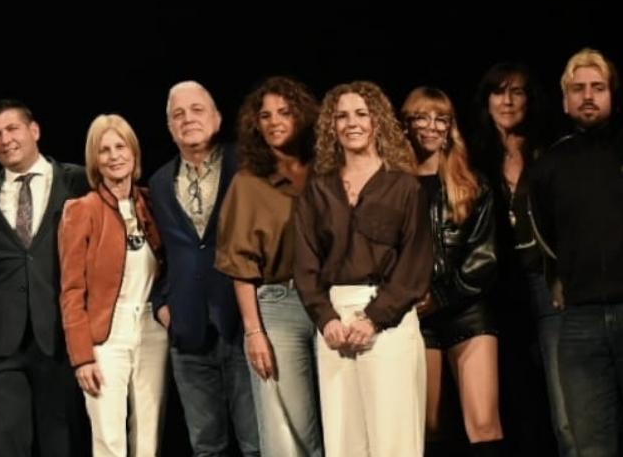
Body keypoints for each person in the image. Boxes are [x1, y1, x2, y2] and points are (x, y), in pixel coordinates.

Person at [526, 50, 623, 457]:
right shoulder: (549, 165)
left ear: (612, 93)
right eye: (577, 89)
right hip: (579, 320)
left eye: (597, 87)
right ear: (564, 100)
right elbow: (541, 231)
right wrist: (563, 278)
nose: (587, 96)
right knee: (588, 443)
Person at [294, 82, 432, 457]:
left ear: (377, 122)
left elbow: (415, 264)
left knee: (394, 439)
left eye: (361, 114)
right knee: (344, 440)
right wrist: (326, 319)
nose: (351, 123)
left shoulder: (405, 187)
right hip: (335, 320)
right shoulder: (318, 190)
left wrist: (373, 319)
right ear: (331, 126)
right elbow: (305, 264)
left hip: (388, 317)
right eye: (341, 116)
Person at [0, 98, 91, 457]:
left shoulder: (77, 181)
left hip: (59, 339)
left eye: (12, 128)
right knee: (7, 446)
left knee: (61, 445)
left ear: (34, 130)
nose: (5, 139)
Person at [464, 63, 570, 457]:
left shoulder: (551, 150)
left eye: (517, 92)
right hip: (494, 293)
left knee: (563, 409)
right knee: (510, 405)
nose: (507, 101)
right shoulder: (471, 156)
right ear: (486, 100)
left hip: (548, 285)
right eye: (498, 92)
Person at [218, 78, 325, 457]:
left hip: (332, 302)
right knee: (287, 426)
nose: (274, 121)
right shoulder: (249, 183)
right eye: (265, 115)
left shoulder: (327, 171)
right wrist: (254, 332)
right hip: (280, 305)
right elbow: (240, 265)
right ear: (255, 126)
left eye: (284, 111)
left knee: (338, 419)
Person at [152, 81, 258, 457]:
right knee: (206, 447)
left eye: (197, 110)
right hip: (188, 332)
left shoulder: (247, 164)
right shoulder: (160, 181)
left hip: (244, 323)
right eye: (178, 114)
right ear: (169, 127)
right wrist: (162, 302)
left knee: (255, 443)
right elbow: (159, 253)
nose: (188, 119)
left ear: (216, 118)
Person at [400, 87, 502, 453]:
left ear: (450, 127)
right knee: (429, 426)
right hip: (415, 315)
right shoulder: (391, 186)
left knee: (484, 424)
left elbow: (484, 258)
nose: (431, 126)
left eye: (440, 119)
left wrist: (442, 296)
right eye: (422, 118)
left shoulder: (472, 183)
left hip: (465, 309)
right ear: (406, 125)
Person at [59, 114, 168, 457]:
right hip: (106, 335)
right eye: (104, 150)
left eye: (120, 146)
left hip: (152, 328)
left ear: (133, 152)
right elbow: (72, 290)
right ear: (95, 160)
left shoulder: (152, 203)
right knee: (109, 438)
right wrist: (82, 357)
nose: (114, 155)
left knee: (149, 434)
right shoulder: (81, 210)